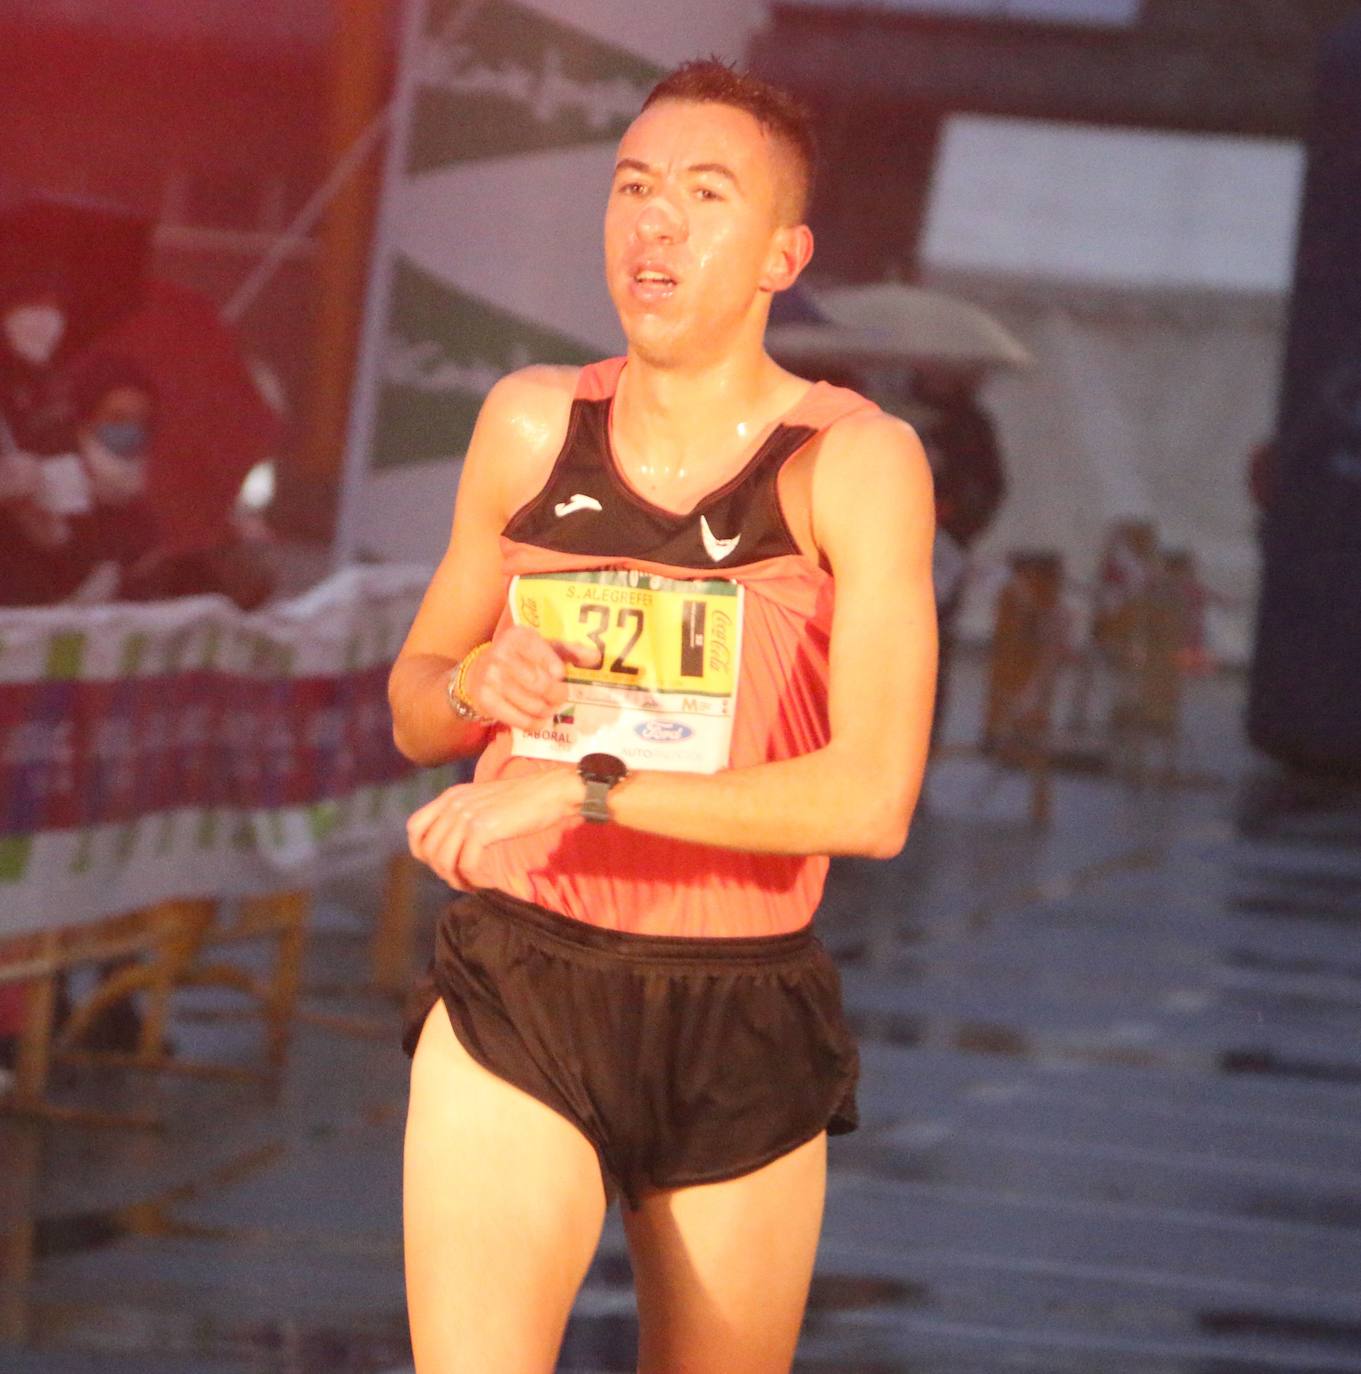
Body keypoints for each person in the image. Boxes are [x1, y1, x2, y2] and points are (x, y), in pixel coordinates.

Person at [391, 60, 937, 1373]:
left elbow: (871, 799)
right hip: (524, 978)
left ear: (779, 254)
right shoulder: (531, 424)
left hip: (741, 1003)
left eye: (703, 195)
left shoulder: (852, 463)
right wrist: (477, 688)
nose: (655, 224)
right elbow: (417, 699)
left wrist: (578, 785)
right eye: (632, 188)